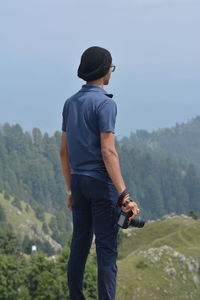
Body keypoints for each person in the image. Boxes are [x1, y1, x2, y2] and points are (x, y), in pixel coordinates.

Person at [60, 46, 139, 300]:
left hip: (79, 181)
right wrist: (124, 195)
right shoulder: (105, 104)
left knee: (79, 244)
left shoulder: (70, 103)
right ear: (105, 71)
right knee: (106, 250)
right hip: (100, 183)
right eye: (111, 68)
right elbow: (108, 152)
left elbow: (64, 152)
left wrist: (71, 188)